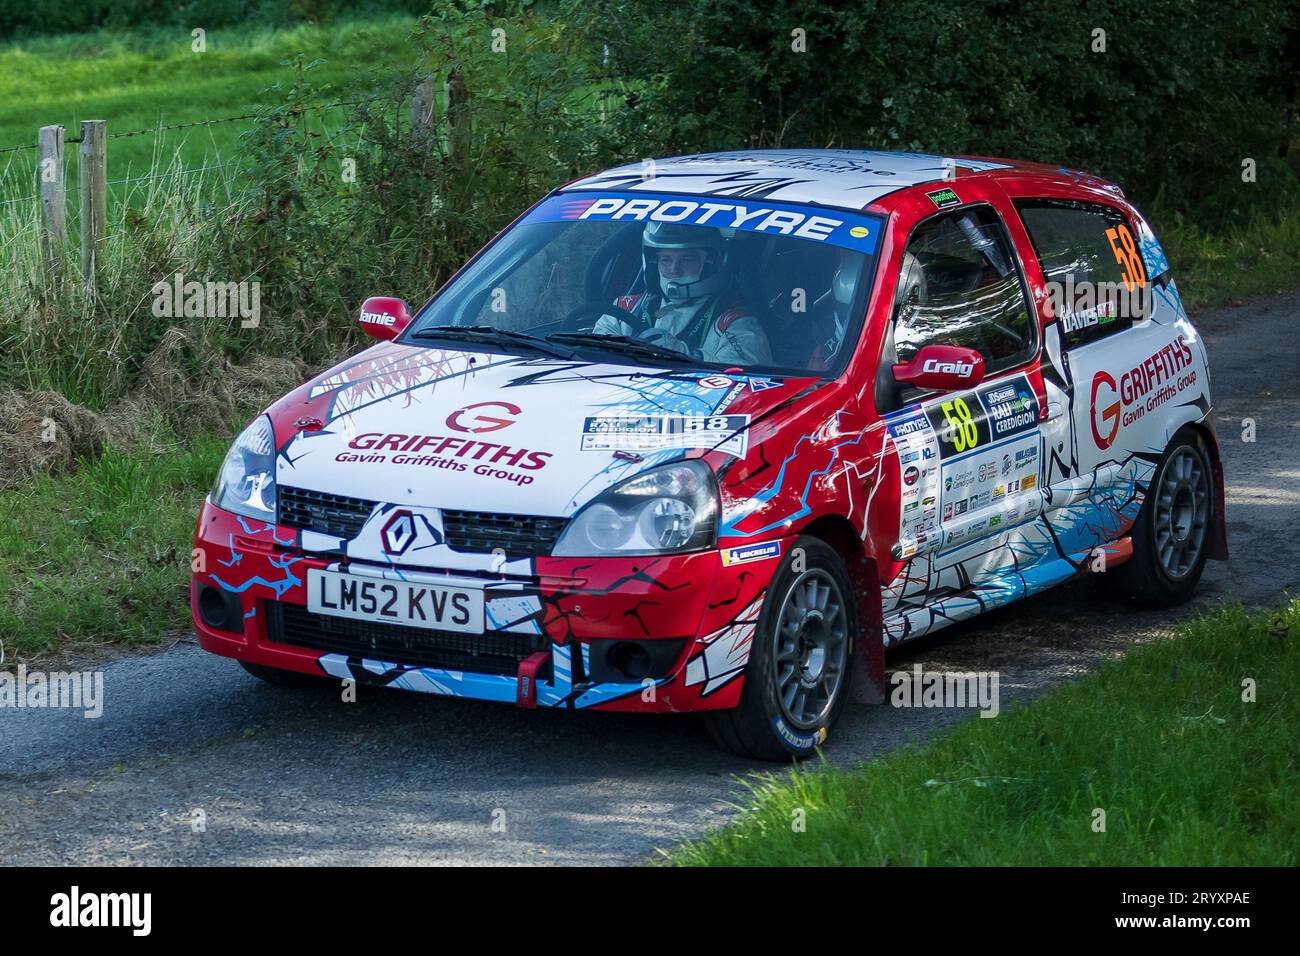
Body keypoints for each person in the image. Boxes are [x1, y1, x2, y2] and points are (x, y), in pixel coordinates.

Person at [593, 221, 772, 365]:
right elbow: (593, 355)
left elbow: (745, 382)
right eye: (666, 260)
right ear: (654, 264)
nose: (674, 270)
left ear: (710, 264)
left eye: (687, 260)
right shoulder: (625, 309)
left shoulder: (735, 324)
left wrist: (684, 355)